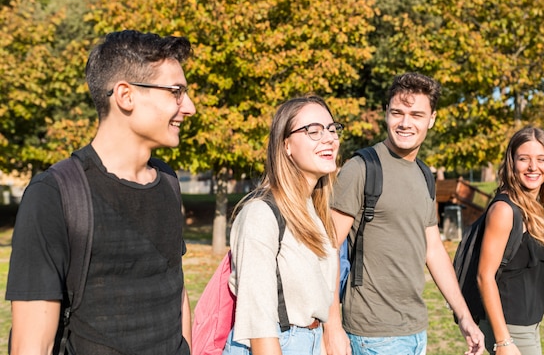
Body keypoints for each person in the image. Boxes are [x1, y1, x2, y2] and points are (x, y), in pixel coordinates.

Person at [6, 30, 196, 355]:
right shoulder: (54, 193)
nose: (189, 107)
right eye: (176, 92)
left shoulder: (168, 180)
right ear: (125, 96)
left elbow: (175, 291)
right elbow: (31, 345)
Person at [324, 72, 484, 355]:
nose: (405, 123)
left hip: (415, 329)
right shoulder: (361, 168)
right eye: (397, 112)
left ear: (431, 119)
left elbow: (433, 250)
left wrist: (464, 316)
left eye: (416, 114)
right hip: (372, 333)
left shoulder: (424, 174)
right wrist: (333, 328)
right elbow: (327, 252)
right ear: (386, 113)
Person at [223, 95, 341, 355]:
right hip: (276, 344)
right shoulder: (260, 213)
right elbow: (259, 324)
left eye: (333, 129)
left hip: (308, 340)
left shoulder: (314, 211)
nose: (330, 138)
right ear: (286, 145)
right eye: (314, 130)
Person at [477, 127, 544, 355]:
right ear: (512, 163)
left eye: (541, 159)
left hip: (527, 325)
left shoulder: (536, 206)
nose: (534, 167)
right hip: (509, 326)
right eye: (524, 159)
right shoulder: (505, 210)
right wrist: (504, 341)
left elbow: (534, 271)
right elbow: (485, 276)